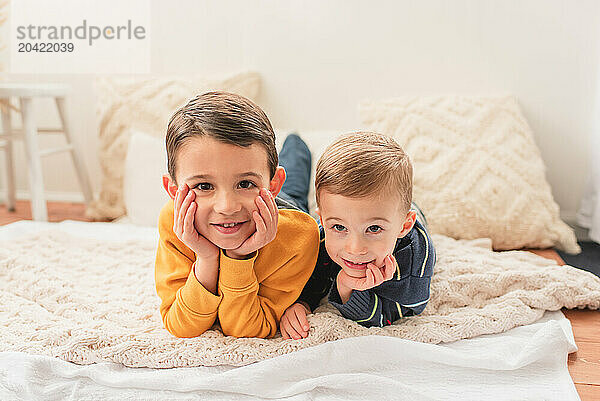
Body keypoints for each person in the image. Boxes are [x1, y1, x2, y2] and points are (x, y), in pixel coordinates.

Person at [155, 91, 319, 338]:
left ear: (273, 185)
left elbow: (249, 328)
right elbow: (180, 325)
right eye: (204, 186)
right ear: (174, 191)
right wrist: (206, 259)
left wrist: (238, 257)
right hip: (252, 212)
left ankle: (296, 143)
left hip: (284, 211)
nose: (226, 206)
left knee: (295, 185)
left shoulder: (300, 235)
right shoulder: (175, 221)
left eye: (245, 183)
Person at [280, 132, 436, 339]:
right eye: (338, 227)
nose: (354, 248)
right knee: (292, 199)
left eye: (374, 229)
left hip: (405, 213)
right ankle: (296, 145)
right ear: (323, 220)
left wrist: (346, 288)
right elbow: (311, 280)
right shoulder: (321, 236)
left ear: (404, 226)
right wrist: (301, 302)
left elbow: (395, 314)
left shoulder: (416, 254)